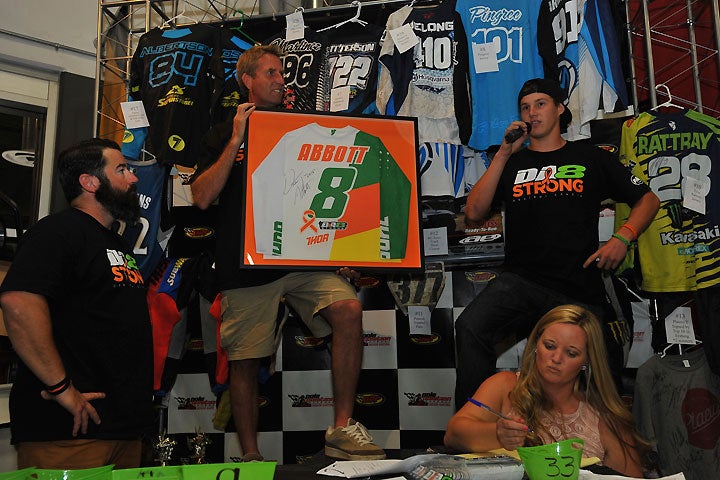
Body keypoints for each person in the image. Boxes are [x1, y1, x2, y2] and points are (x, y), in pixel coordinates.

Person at [190, 44, 385, 462]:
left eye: (282, 74)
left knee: (349, 309)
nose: (282, 80)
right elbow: (202, 197)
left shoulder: (303, 127)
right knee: (244, 361)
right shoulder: (221, 132)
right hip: (246, 264)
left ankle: (341, 429)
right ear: (248, 81)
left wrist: (344, 244)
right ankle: (251, 456)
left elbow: (327, 191)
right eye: (271, 73)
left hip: (301, 259)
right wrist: (238, 140)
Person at [454, 78, 660, 409]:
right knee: (469, 327)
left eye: (540, 104)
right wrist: (504, 153)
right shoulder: (513, 162)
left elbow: (648, 200)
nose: (532, 112)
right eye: (525, 107)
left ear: (560, 108)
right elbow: (475, 211)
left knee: (603, 371)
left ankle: (603, 442)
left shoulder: (589, 156)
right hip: (522, 280)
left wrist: (623, 237)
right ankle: (473, 428)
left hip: (577, 282)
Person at [0, 139, 154, 468]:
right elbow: (18, 301)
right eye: (122, 169)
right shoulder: (58, 231)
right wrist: (61, 388)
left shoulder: (114, 242)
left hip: (120, 431)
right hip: (69, 431)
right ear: (89, 182)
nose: (134, 178)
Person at [445, 305, 649, 477]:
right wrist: (497, 433)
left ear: (586, 361)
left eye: (571, 353)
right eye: (549, 346)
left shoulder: (604, 417)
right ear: (535, 345)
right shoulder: (505, 386)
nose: (557, 358)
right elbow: (453, 435)